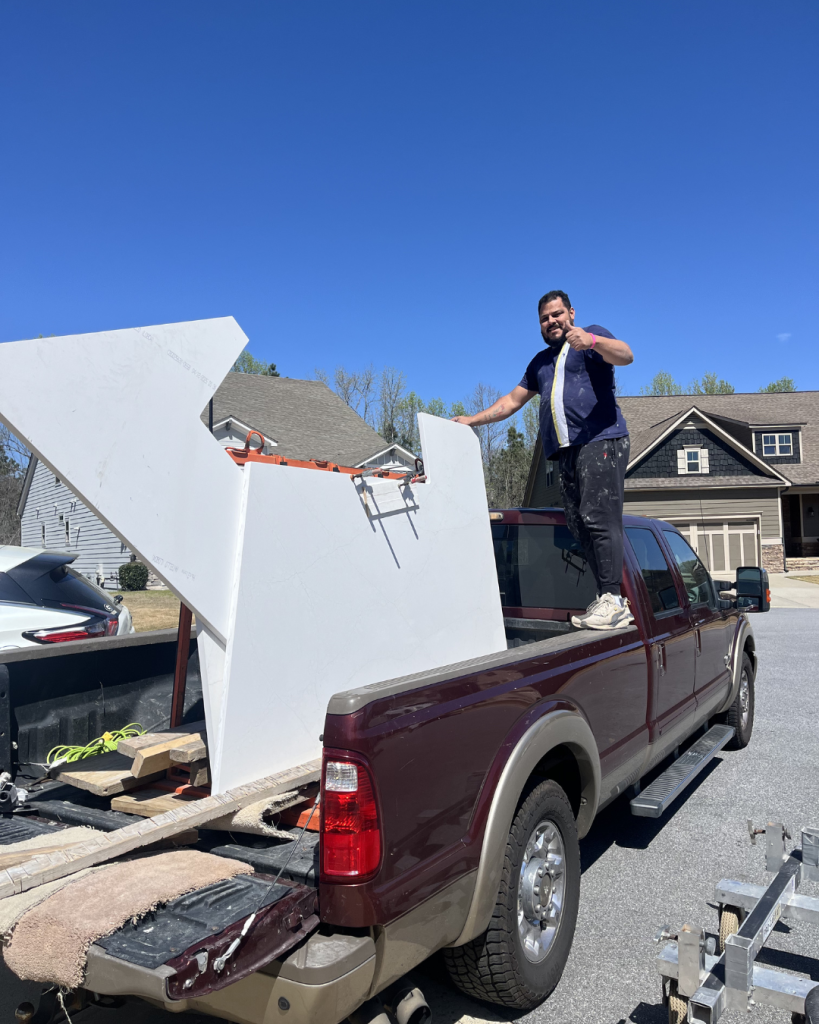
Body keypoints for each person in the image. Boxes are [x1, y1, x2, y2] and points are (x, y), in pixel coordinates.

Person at [452, 289, 634, 630]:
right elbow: (511, 401)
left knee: (598, 516)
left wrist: (592, 341)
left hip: (600, 441)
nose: (552, 321)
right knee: (579, 525)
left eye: (557, 314)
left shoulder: (590, 339)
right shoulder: (540, 363)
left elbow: (626, 355)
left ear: (572, 313)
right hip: (566, 453)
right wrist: (471, 420)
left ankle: (614, 599)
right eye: (545, 318)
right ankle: (605, 597)